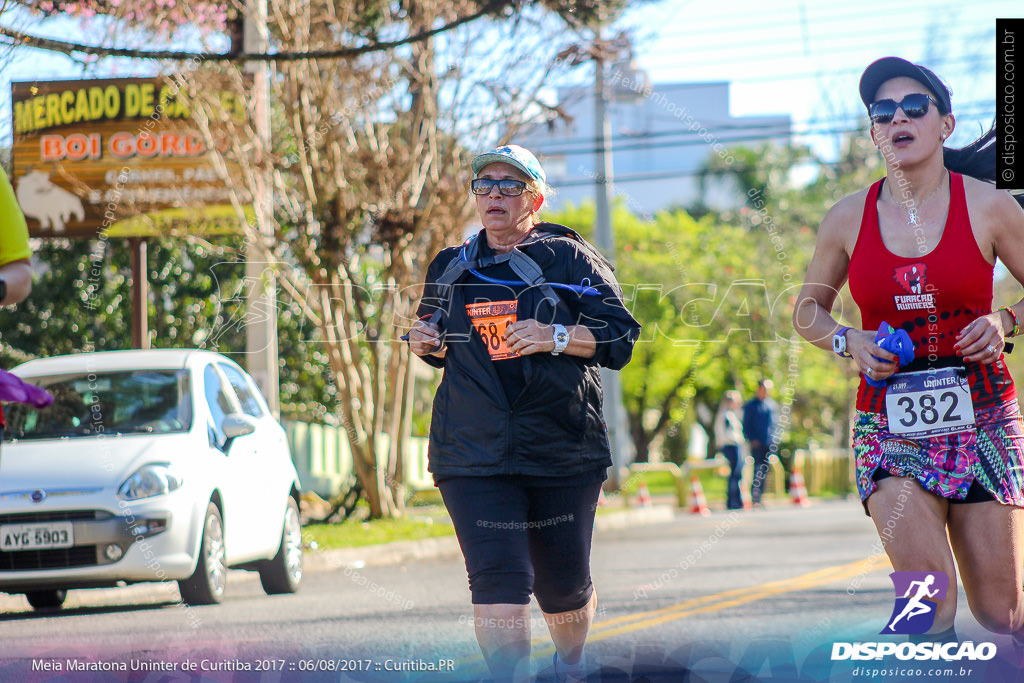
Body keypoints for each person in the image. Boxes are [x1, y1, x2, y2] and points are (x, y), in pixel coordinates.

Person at [793, 56, 1024, 643]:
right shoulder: (847, 218)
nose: (898, 117)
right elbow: (806, 311)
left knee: (1004, 612)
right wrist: (849, 339)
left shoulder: (991, 206)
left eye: (914, 106)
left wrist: (1005, 319)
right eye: (882, 112)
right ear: (875, 133)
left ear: (944, 124)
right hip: (889, 419)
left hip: (984, 413)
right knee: (927, 603)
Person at [407, 144, 640, 682]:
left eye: (509, 185)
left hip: (560, 446)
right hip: (472, 451)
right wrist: (425, 341)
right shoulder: (450, 265)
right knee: (498, 581)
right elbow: (439, 343)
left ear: (534, 197)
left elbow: (620, 337)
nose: (494, 194)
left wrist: (555, 336)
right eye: (484, 184)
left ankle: (572, 664)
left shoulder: (569, 259)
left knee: (562, 588)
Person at [742, 379, 778, 507]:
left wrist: (775, 439)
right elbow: (746, 425)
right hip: (757, 443)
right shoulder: (751, 405)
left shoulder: (771, 405)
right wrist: (752, 439)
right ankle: (755, 497)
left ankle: (762, 496)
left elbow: (774, 424)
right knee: (758, 469)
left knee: (766, 470)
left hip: (769, 442)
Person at [714, 390, 745, 510]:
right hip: (731, 446)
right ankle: (733, 501)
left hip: (735, 445)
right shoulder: (725, 415)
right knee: (734, 474)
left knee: (737, 474)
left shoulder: (732, 415)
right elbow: (724, 433)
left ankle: (736, 499)